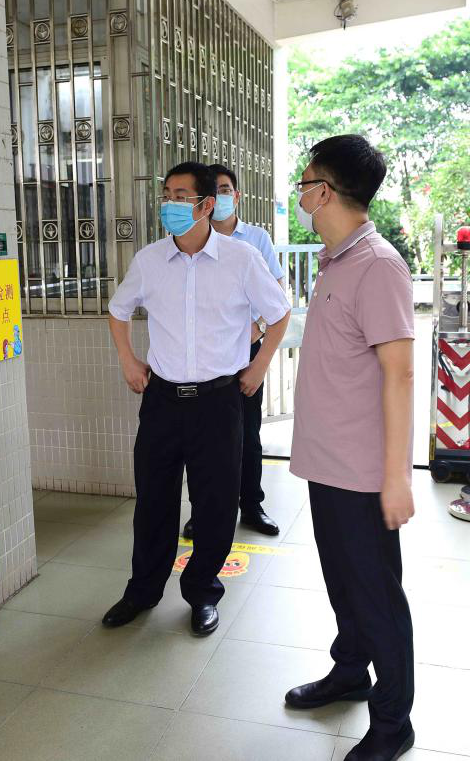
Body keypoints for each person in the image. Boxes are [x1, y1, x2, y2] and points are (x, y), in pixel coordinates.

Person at [102, 161, 290, 636]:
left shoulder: (241, 258)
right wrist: (128, 360)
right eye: (166, 195)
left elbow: (279, 313)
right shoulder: (149, 261)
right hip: (162, 401)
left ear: (207, 205)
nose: (170, 204)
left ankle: (203, 592)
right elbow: (118, 310)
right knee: (153, 502)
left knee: (215, 504)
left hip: (218, 402)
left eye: (181, 196)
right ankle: (142, 591)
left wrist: (260, 365)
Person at [285, 135, 417, 761]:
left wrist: (397, 478)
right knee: (342, 581)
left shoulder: (378, 265)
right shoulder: (336, 260)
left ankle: (394, 722)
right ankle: (350, 670)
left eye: (306, 182)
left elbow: (401, 374)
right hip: (328, 463)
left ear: (325, 191)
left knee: (376, 596)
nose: (301, 193)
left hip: (363, 473)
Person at [181, 163, 284, 540]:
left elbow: (277, 295)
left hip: (246, 351)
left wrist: (257, 329)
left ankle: (251, 504)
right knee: (202, 438)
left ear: (235, 195)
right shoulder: (189, 238)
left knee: (247, 432)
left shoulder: (255, 239)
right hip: (204, 356)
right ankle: (202, 511)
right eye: (215, 191)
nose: (221, 196)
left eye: (226, 189)